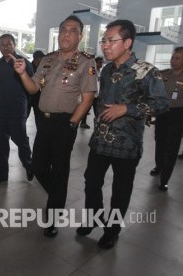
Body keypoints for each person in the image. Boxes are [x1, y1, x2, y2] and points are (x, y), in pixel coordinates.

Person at [77, 20, 168, 249]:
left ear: (127, 43)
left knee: (120, 190)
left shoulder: (146, 71)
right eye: (104, 41)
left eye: (111, 41)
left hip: (126, 145)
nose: (105, 46)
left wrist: (128, 109)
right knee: (91, 182)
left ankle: (112, 230)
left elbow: (162, 103)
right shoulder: (107, 70)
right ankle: (93, 219)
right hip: (100, 141)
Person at [12, 15, 97, 238]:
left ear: (80, 36)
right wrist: (22, 74)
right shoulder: (47, 60)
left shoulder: (87, 62)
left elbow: (87, 99)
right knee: (38, 167)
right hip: (44, 121)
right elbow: (32, 89)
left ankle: (52, 217)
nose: (66, 34)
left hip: (64, 123)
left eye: (72, 30)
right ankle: (58, 197)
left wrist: (72, 125)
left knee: (59, 170)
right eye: (63, 29)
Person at [0, 34, 34, 185]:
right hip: (1, 110)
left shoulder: (23, 63)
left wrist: (25, 108)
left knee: (21, 141)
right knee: (1, 144)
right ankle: (2, 175)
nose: (5, 47)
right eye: (2, 44)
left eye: (8, 44)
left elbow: (31, 87)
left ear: (14, 45)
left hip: (17, 110)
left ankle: (29, 166)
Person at [150, 46, 183, 191]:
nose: (173, 61)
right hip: (162, 113)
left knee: (172, 147)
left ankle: (165, 179)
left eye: (177, 58)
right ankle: (159, 166)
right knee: (160, 141)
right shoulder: (163, 74)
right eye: (172, 57)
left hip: (178, 114)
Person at [29, 50, 45, 128]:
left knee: (39, 117)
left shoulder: (43, 68)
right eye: (42, 59)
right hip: (27, 97)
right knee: (23, 117)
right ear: (37, 59)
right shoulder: (28, 67)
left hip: (38, 97)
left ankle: (40, 132)